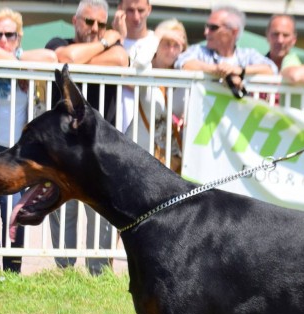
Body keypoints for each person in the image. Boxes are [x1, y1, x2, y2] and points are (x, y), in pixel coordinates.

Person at [0, 9, 57, 273]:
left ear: (19, 38)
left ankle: (12, 268)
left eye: (10, 35)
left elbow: (51, 56)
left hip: (14, 147)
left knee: (14, 209)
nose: (3, 40)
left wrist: (14, 60)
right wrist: (10, 59)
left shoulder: (24, 60)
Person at [45, 0, 127, 275]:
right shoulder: (60, 40)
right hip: (64, 144)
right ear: (75, 21)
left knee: (100, 209)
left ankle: (98, 271)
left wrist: (81, 58)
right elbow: (62, 56)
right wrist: (105, 43)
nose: (95, 29)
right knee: (61, 208)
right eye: (89, 22)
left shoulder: (115, 49)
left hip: (100, 145)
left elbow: (120, 60)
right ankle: (65, 268)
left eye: (101, 25)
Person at [175, 6, 276, 99]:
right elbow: (183, 63)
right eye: (207, 26)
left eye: (213, 28)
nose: (206, 32)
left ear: (233, 32)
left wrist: (238, 71)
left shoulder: (248, 54)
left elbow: (271, 70)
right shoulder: (198, 50)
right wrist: (218, 70)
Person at [130, 19, 187, 173]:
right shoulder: (147, 70)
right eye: (166, 43)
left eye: (177, 45)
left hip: (172, 166)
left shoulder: (186, 78)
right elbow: (140, 61)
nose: (171, 50)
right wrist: (159, 34)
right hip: (138, 160)